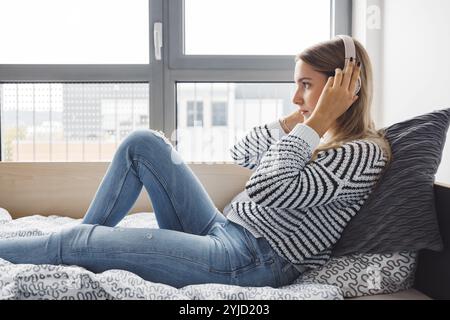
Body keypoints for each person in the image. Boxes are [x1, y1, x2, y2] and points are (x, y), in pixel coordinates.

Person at [0, 36, 391, 289]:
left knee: (75, 241)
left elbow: (267, 188)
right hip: (224, 229)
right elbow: (242, 153)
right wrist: (295, 122)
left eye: (306, 85)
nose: (295, 97)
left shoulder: (362, 153)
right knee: (144, 143)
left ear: (347, 85)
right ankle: (84, 246)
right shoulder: (315, 135)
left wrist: (317, 120)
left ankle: (78, 245)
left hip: (249, 262)